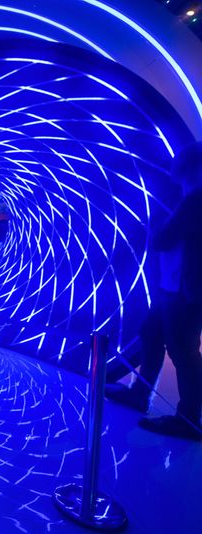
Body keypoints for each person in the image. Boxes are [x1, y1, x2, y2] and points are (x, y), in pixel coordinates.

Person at [134, 141, 202, 440]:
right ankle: (140, 393)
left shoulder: (195, 199)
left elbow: (162, 240)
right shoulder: (189, 197)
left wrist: (154, 227)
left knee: (183, 350)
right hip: (173, 286)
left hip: (185, 290)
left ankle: (188, 419)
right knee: (151, 332)